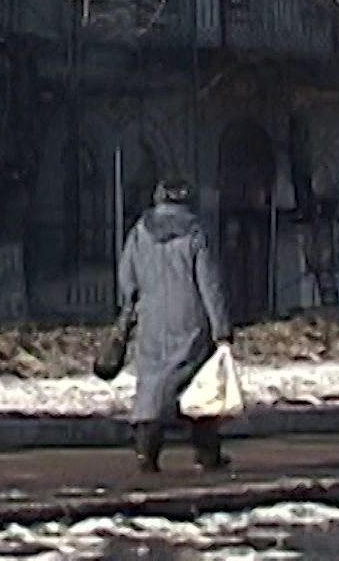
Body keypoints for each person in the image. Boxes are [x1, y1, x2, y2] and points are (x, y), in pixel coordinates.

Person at [118, 179, 232, 473]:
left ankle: (147, 450)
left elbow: (127, 277)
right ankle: (207, 453)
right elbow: (210, 284)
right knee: (198, 385)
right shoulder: (196, 232)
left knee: (152, 381)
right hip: (190, 316)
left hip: (151, 317)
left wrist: (129, 312)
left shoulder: (140, 231)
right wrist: (221, 328)